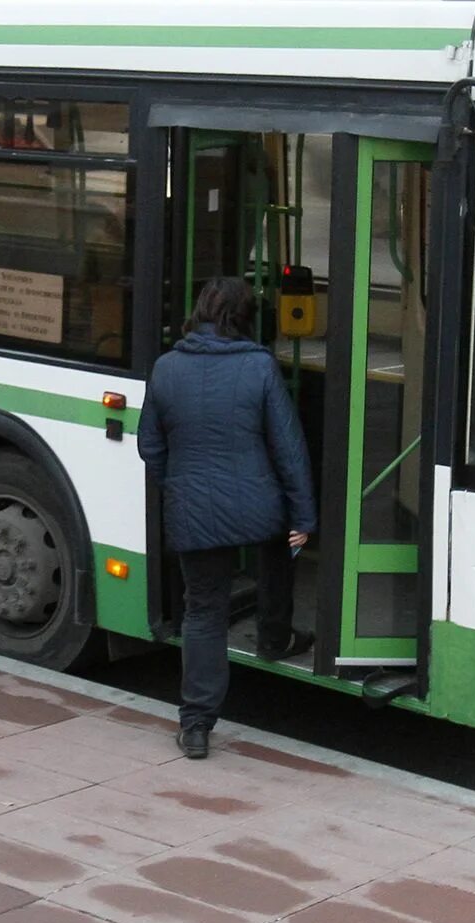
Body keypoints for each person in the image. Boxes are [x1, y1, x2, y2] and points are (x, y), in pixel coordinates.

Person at [137, 277, 317, 760]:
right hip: (257, 504)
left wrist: (177, 486)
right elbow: (288, 448)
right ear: (244, 318)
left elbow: (149, 446)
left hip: (194, 511)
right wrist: (302, 514)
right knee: (280, 553)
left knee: (204, 611)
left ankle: (195, 725)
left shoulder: (166, 368)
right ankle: (275, 638)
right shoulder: (258, 367)